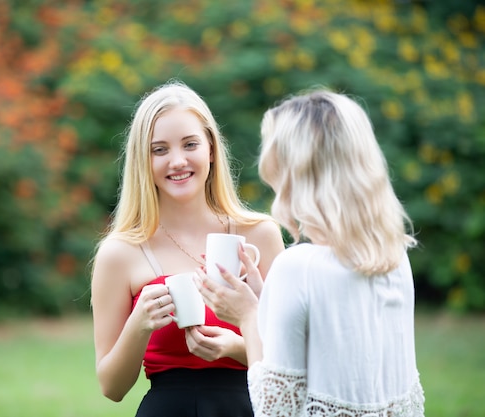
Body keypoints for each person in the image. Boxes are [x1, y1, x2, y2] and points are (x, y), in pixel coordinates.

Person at [197, 88, 425, 416]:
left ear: (296, 176)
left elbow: (274, 408)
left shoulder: (298, 267)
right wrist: (265, 301)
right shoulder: (395, 257)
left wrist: (247, 316)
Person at [90, 80, 285, 417]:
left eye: (190, 144)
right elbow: (112, 388)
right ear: (143, 161)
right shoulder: (119, 253)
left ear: (210, 149)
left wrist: (237, 348)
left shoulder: (260, 235)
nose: (177, 160)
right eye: (159, 149)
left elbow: (292, 361)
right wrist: (139, 324)